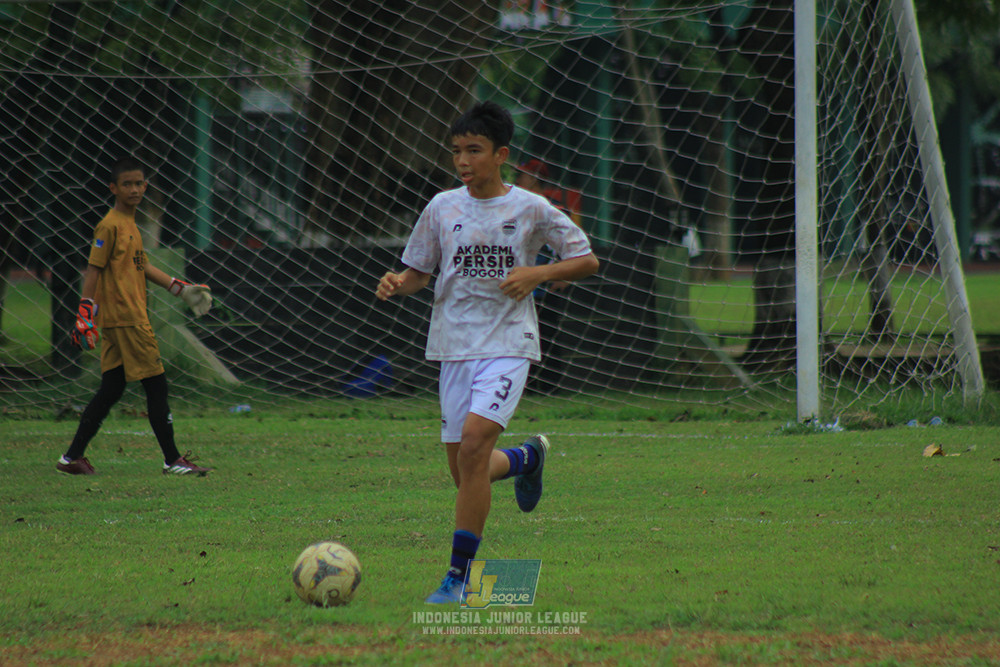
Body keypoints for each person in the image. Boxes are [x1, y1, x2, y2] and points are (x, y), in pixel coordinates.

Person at [375, 101, 599, 604]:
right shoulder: (441, 207)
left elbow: (586, 260)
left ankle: (457, 577)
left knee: (475, 447)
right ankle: (526, 459)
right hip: (453, 346)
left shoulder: (531, 208)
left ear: (501, 155)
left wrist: (538, 273)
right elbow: (418, 274)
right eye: (457, 151)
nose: (463, 161)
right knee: (465, 472)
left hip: (508, 344)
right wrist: (397, 282)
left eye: (474, 151)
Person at [57, 157, 214, 477]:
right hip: (127, 319)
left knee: (112, 388)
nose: (133, 189)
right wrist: (85, 314)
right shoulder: (110, 224)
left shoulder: (131, 223)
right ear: (113, 188)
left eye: (138, 183)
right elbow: (93, 270)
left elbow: (142, 265)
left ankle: (71, 457)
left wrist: (180, 289)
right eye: (126, 184)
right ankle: (172, 460)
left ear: (145, 186)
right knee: (156, 386)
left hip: (121, 320)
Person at [515, 159, 574, 395]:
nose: (517, 179)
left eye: (523, 175)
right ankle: (524, 386)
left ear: (535, 178)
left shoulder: (553, 207)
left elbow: (572, 244)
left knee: (547, 334)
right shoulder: (515, 206)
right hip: (521, 284)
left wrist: (565, 274)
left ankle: (549, 386)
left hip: (545, 285)